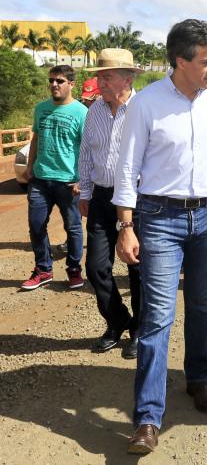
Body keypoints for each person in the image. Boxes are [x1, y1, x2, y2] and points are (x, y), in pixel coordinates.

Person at [113, 19, 207, 455]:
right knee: (158, 317)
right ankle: (148, 417)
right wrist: (126, 226)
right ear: (180, 61)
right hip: (159, 217)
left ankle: (197, 378)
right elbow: (127, 168)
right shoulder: (146, 104)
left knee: (202, 305)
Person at [78, 49, 144, 359]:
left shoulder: (143, 110)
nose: (100, 82)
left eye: (107, 77)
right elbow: (86, 153)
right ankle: (118, 320)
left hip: (137, 197)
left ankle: (141, 329)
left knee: (137, 267)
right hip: (102, 197)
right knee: (95, 268)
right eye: (99, 77)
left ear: (127, 79)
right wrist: (85, 192)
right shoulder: (94, 111)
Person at [21, 65, 88, 291]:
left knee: (73, 227)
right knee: (36, 225)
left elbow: (88, 149)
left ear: (71, 84)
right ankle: (43, 270)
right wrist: (29, 166)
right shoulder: (41, 108)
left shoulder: (81, 112)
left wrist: (83, 179)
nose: (54, 85)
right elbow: (36, 139)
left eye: (59, 81)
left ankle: (74, 269)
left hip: (68, 181)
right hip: (40, 179)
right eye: (51, 80)